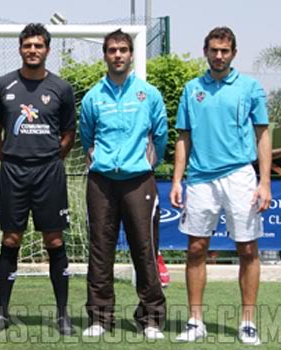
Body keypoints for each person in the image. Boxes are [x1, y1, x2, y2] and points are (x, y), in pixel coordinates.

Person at [170, 27, 271, 345]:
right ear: (206, 51)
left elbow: (263, 135)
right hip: (200, 179)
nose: (218, 56)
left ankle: (247, 323)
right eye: (213, 50)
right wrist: (176, 180)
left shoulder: (250, 87)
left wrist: (265, 181)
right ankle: (195, 321)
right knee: (197, 248)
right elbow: (183, 137)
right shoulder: (191, 89)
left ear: (234, 53)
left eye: (224, 51)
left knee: (248, 249)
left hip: (240, 176)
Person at [0, 23, 76, 335]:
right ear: (20, 49)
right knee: (11, 239)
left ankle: (63, 315)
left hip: (49, 172)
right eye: (28, 46)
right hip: (13, 172)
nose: (33, 50)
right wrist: (11, 157)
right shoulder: (2, 85)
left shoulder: (61, 89)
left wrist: (48, 159)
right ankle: (2, 313)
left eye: (38, 46)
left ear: (47, 50)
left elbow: (68, 135)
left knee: (55, 240)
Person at [79, 29, 168, 339]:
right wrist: (103, 162)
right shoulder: (93, 96)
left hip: (138, 182)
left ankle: (151, 318)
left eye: (123, 50)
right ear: (105, 55)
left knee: (144, 250)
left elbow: (161, 136)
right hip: (102, 182)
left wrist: (144, 165)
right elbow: (86, 138)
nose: (117, 55)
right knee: (100, 251)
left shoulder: (149, 94)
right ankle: (100, 318)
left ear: (131, 55)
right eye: (112, 50)